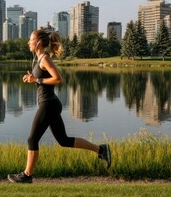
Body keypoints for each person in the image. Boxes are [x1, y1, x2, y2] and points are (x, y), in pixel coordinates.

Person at [7, 30, 111, 184]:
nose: (28, 42)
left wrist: (37, 80)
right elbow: (43, 79)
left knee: (32, 139)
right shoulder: (39, 58)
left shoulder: (44, 59)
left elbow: (59, 79)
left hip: (48, 104)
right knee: (64, 140)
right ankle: (101, 150)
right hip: (51, 104)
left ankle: (27, 175)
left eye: (31, 40)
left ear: (39, 43)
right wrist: (33, 79)